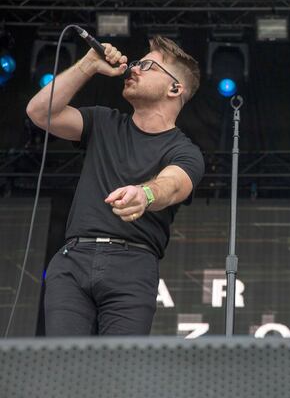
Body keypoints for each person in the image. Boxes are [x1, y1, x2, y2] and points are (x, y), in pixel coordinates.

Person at [26, 36, 204, 335]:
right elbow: (39, 112)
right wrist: (89, 64)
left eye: (148, 66)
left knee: (119, 374)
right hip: (73, 260)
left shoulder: (184, 151)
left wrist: (145, 193)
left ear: (175, 88)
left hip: (133, 266)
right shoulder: (103, 122)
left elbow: (172, 184)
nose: (134, 69)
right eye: (136, 63)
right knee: (64, 368)